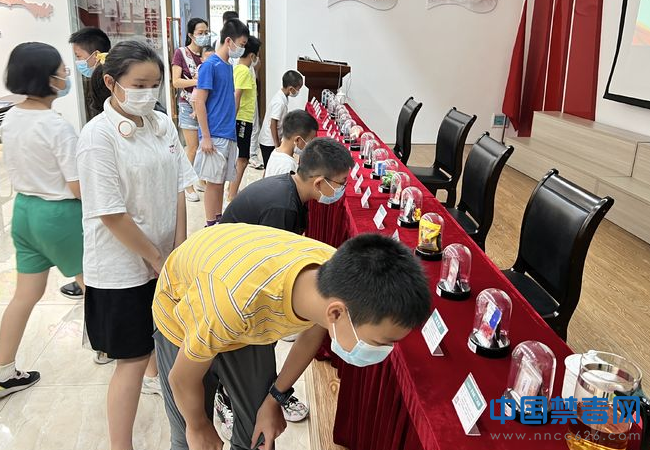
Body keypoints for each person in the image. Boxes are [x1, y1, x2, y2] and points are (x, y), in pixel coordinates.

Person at [152, 224, 431, 450]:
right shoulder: (235, 303)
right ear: (336, 313)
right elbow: (181, 379)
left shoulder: (333, 282)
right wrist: (198, 425)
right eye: (380, 343)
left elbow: (311, 335)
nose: (384, 352)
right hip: (184, 307)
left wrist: (275, 399)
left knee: (257, 432)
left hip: (236, 310)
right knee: (190, 436)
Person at [76, 40, 197, 450]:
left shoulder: (161, 124)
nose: (149, 92)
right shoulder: (98, 136)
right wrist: (157, 258)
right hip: (122, 267)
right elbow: (111, 213)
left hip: (163, 258)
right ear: (112, 83)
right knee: (130, 359)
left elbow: (179, 187)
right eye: (139, 85)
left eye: (155, 84)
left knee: (160, 341)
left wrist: (177, 250)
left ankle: (155, 379)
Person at [209, 137, 353, 437]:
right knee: (245, 351)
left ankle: (271, 392)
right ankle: (227, 395)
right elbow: (271, 274)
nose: (342, 190)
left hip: (241, 270)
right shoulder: (282, 208)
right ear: (319, 182)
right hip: (229, 284)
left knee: (262, 351)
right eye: (341, 184)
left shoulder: (290, 191)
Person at [0, 43, 83, 397]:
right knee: (98, 287)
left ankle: (3, 372)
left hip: (24, 212)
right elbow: (78, 187)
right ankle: (112, 348)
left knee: (25, 295)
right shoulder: (56, 126)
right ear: (48, 79)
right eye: (63, 70)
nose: (67, 75)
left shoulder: (10, 116)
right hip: (59, 215)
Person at [56, 27, 112, 302]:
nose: (76, 64)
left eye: (78, 56)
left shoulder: (103, 79)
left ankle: (90, 283)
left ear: (95, 54)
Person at [194, 19, 249, 226]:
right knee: (214, 183)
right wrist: (206, 136)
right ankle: (211, 224)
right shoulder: (210, 65)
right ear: (228, 41)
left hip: (228, 133)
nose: (242, 49)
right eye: (241, 44)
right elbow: (200, 101)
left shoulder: (228, 66)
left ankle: (218, 220)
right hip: (215, 133)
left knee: (220, 181)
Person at [172, 17, 210, 203]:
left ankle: (202, 180)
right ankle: (187, 186)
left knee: (205, 146)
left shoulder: (207, 54)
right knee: (193, 147)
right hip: (188, 104)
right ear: (190, 35)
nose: (204, 36)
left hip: (205, 104)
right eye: (200, 33)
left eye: (206, 32)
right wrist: (198, 81)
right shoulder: (181, 53)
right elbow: (176, 81)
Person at [228, 36, 261, 201]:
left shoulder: (242, 69)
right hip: (242, 120)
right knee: (243, 159)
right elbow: (237, 95)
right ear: (252, 56)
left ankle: (232, 189)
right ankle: (232, 194)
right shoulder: (243, 71)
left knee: (242, 158)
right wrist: (231, 120)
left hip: (244, 119)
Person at [259, 70, 303, 169]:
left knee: (269, 168)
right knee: (270, 168)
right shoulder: (279, 102)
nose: (298, 92)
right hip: (269, 142)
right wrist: (277, 145)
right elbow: (273, 123)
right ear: (291, 88)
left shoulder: (283, 97)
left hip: (272, 139)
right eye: (298, 89)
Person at [69, 27, 112, 121]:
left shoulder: (108, 82)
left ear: (96, 55)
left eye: (78, 56)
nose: (77, 61)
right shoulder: (95, 80)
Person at [264, 110, 318, 178]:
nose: (310, 145)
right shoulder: (288, 166)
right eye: (310, 141)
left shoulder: (276, 152)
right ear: (297, 140)